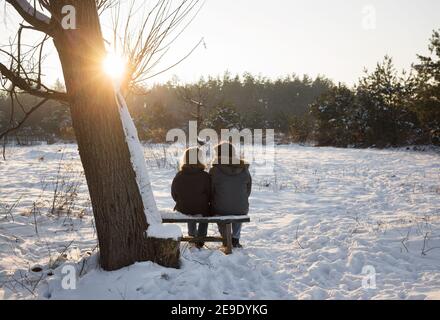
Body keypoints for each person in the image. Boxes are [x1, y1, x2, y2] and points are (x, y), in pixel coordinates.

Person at [210, 142, 252, 248]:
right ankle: (235, 239)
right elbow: (248, 189)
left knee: (220, 209)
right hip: (241, 208)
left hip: (221, 208)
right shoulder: (243, 169)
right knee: (238, 206)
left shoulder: (215, 170)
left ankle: (226, 238)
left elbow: (211, 190)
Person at [171, 147, 210, 248]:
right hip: (201, 209)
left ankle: (192, 236)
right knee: (205, 210)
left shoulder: (179, 175)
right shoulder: (205, 176)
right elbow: (210, 193)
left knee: (189, 207)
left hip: (183, 208)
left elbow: (174, 193)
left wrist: (180, 201)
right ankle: (201, 238)